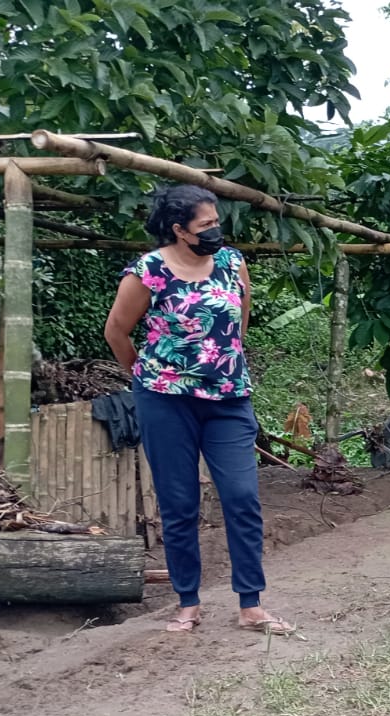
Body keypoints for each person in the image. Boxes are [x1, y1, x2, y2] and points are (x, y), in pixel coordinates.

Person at [104, 185, 291, 634]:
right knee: (179, 501)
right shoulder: (148, 271)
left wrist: (222, 361)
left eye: (216, 222)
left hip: (228, 398)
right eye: (205, 225)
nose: (215, 230)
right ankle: (187, 602)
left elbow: (240, 321)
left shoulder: (231, 262)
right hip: (166, 402)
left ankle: (251, 604)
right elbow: (116, 331)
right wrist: (149, 377)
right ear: (179, 230)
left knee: (242, 497)